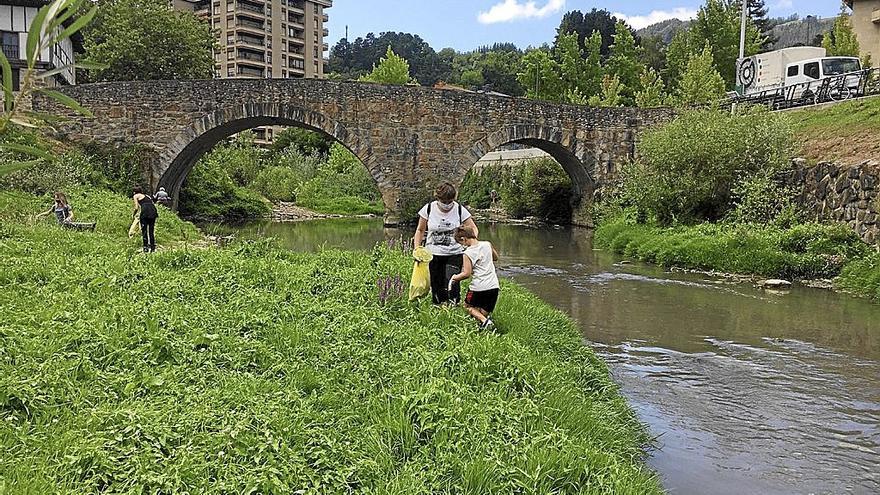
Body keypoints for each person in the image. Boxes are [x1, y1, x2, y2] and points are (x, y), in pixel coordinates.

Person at [413, 182, 480, 305]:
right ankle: (438, 306)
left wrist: (471, 241)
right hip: (433, 254)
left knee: (452, 281)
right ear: (438, 198)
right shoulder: (428, 209)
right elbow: (420, 230)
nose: (447, 205)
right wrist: (417, 248)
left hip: (454, 253)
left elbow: (473, 228)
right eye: (444, 201)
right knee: (436, 283)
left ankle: (453, 305)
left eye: (450, 201)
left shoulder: (459, 209)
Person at [449, 225, 500, 330]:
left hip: (478, 287)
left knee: (467, 307)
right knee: (481, 312)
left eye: (461, 243)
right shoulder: (487, 244)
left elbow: (466, 274)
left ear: (464, 239)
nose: (462, 245)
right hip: (493, 286)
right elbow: (495, 258)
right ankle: (484, 324)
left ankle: (485, 322)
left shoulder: (467, 253)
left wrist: (454, 277)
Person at [132, 186, 159, 253]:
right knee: (151, 230)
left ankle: (145, 247)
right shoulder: (147, 196)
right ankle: (152, 247)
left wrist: (133, 214)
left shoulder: (136, 196)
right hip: (153, 211)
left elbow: (136, 207)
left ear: (134, 192)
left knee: (144, 230)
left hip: (145, 212)